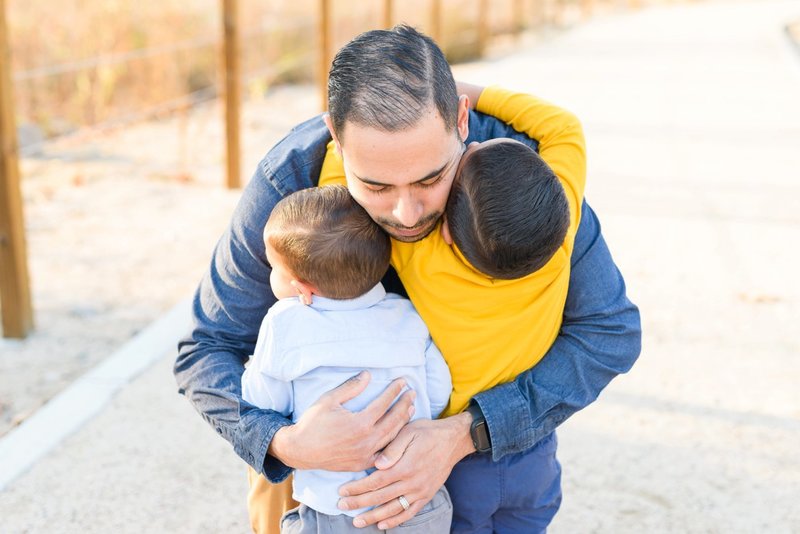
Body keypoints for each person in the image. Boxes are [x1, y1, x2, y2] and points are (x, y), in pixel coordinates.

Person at [175, 24, 641, 534]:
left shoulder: (515, 178)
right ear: (336, 137)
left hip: (481, 451)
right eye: (374, 185)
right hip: (311, 464)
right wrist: (285, 444)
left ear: (461, 120)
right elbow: (207, 345)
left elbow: (607, 331)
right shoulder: (293, 180)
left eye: (430, 179)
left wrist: (467, 433)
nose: (406, 213)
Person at [319, 83, 583, 531]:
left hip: (461, 464)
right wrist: (475, 96)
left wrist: (343, 138)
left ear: (445, 231)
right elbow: (563, 126)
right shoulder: (562, 227)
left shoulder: (420, 252)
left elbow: (336, 196)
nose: (473, 143)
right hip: (532, 456)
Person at [241, 185, 453, 533]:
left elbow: (262, 402)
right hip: (415, 500)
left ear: (301, 288)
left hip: (339, 509)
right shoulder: (409, 315)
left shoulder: (285, 321)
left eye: (272, 268)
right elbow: (438, 390)